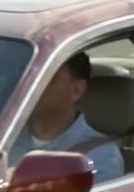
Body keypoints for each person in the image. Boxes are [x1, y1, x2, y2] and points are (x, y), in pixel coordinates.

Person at [8, 52, 124, 183]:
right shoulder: (0, 140)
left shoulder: (99, 155)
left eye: (46, 78)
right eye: (28, 77)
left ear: (76, 90)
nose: (31, 86)